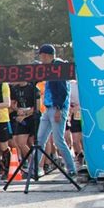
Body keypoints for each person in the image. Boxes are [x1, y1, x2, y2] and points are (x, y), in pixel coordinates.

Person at [32, 44, 76, 177]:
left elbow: (63, 91)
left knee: (58, 140)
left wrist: (58, 109)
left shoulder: (58, 67)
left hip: (57, 108)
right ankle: (33, 168)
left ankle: (71, 168)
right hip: (48, 108)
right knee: (39, 140)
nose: (41, 58)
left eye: (42, 55)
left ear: (47, 55)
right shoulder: (49, 68)